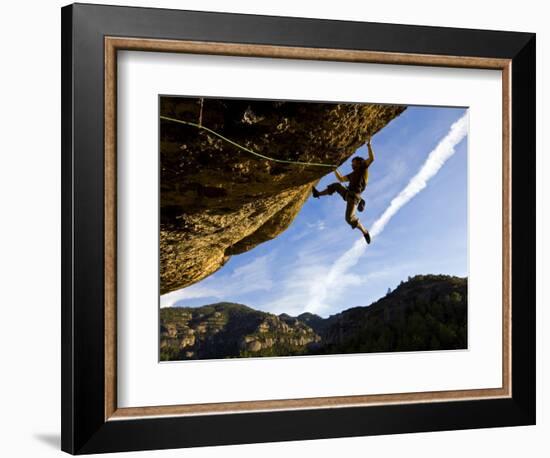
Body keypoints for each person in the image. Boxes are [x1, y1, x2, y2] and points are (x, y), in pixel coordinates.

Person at [312, 137, 374, 244]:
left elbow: (371, 158)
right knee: (336, 185)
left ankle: (365, 231)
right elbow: (340, 179)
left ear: (359, 163)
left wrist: (369, 145)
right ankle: (318, 193)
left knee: (349, 219)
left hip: (354, 197)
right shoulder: (352, 174)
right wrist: (335, 169)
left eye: (353, 162)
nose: (351, 164)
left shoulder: (363, 168)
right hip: (347, 193)